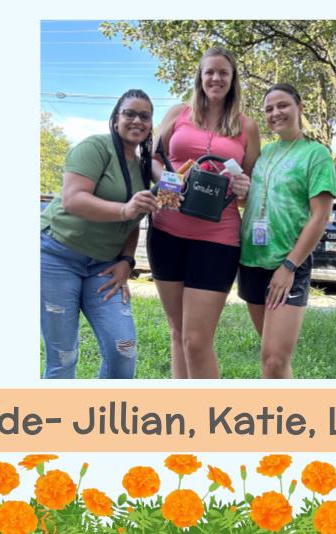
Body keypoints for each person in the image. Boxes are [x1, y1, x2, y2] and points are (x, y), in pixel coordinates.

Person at [150, 47, 259, 379]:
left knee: (197, 340)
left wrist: (244, 188)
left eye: (223, 73)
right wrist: (171, 182)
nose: (216, 78)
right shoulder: (177, 114)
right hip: (166, 232)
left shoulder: (247, 127)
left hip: (217, 240)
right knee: (177, 331)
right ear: (199, 76)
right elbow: (153, 160)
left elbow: (252, 184)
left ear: (232, 80)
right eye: (209, 71)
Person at [40, 89, 159, 379]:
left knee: (124, 347)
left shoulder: (145, 169)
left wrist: (127, 261)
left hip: (103, 267)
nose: (137, 120)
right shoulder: (96, 147)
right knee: (63, 356)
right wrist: (124, 210)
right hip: (57, 256)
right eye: (129, 113)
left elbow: (134, 221)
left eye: (144, 116)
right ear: (115, 119)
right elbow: (72, 198)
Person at [237, 83, 336, 378]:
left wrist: (290, 266)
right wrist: (238, 189)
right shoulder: (265, 154)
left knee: (274, 361)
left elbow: (320, 217)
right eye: (269, 109)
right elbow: (251, 202)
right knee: (272, 358)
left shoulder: (316, 154)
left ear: (299, 107)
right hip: (251, 261)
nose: (275, 113)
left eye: (282, 105)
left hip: (287, 265)